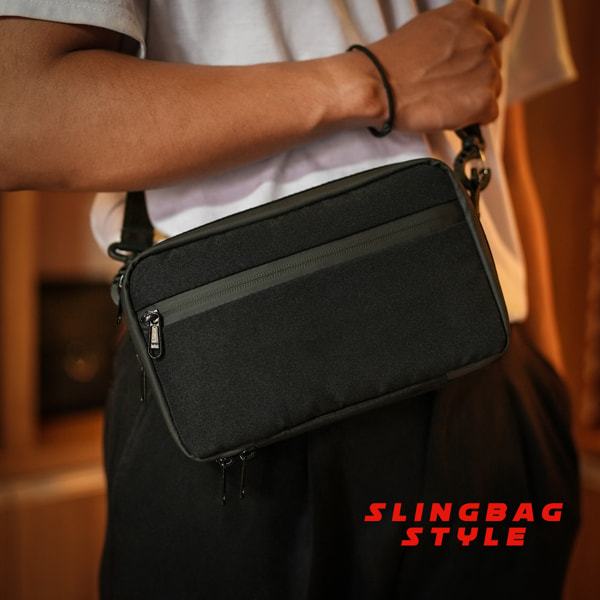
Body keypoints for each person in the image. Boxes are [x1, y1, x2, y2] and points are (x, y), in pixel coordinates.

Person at [0, 1, 580, 598]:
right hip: (230, 394)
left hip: (489, 372)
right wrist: (374, 81)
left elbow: (505, 136)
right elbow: (17, 114)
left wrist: (545, 394)